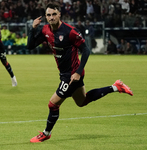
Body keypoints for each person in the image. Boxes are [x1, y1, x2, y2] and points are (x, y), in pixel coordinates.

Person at [27, 2, 133, 143]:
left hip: (71, 75)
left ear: (59, 15)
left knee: (53, 104)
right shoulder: (46, 30)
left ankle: (46, 133)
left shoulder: (70, 31)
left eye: (54, 14)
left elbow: (86, 50)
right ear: (45, 16)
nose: (51, 17)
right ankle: (116, 87)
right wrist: (32, 29)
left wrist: (77, 72)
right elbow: (30, 46)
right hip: (66, 73)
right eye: (48, 15)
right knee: (82, 101)